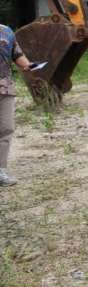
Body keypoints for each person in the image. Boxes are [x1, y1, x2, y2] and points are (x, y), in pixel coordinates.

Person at [0, 24, 34, 186]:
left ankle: (1, 171)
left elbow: (17, 54)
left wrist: (28, 65)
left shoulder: (6, 31)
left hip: (5, 88)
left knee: (6, 128)